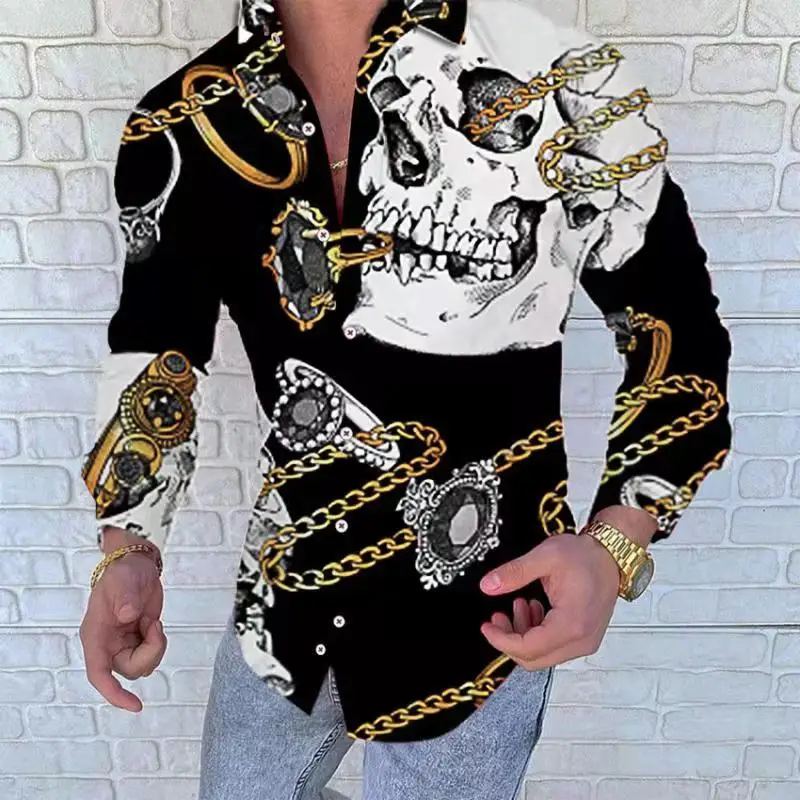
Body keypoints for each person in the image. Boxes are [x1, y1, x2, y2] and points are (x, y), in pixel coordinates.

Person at [79, 1, 733, 797]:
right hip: (284, 607)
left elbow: (677, 330)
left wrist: (616, 543)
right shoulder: (182, 124)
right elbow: (157, 349)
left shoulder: (564, 82)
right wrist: (129, 548)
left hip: (488, 627)